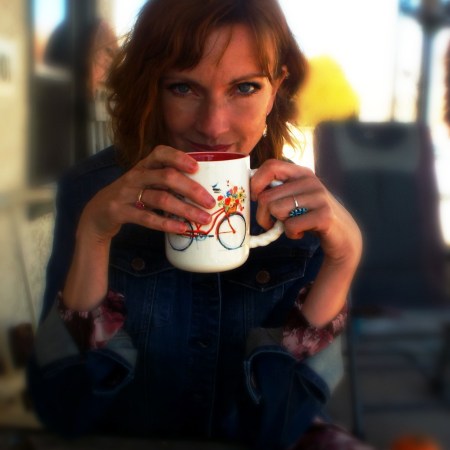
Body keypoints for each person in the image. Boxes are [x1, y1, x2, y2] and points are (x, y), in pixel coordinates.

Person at [27, 0, 368, 449]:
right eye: (184, 88)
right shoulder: (92, 194)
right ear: (151, 89)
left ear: (276, 90)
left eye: (244, 87)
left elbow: (280, 424)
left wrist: (343, 261)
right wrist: (94, 236)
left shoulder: (304, 217)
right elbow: (64, 408)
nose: (212, 126)